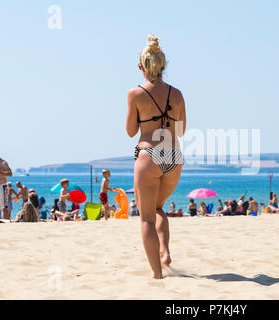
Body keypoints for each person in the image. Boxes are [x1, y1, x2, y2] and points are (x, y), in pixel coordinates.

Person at [126, 35, 186, 279]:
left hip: (149, 154)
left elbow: (131, 131)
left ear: (142, 67)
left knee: (147, 218)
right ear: (163, 66)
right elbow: (182, 130)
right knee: (159, 208)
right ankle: (165, 251)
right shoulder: (178, 94)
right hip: (174, 155)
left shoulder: (135, 94)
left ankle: (157, 275)